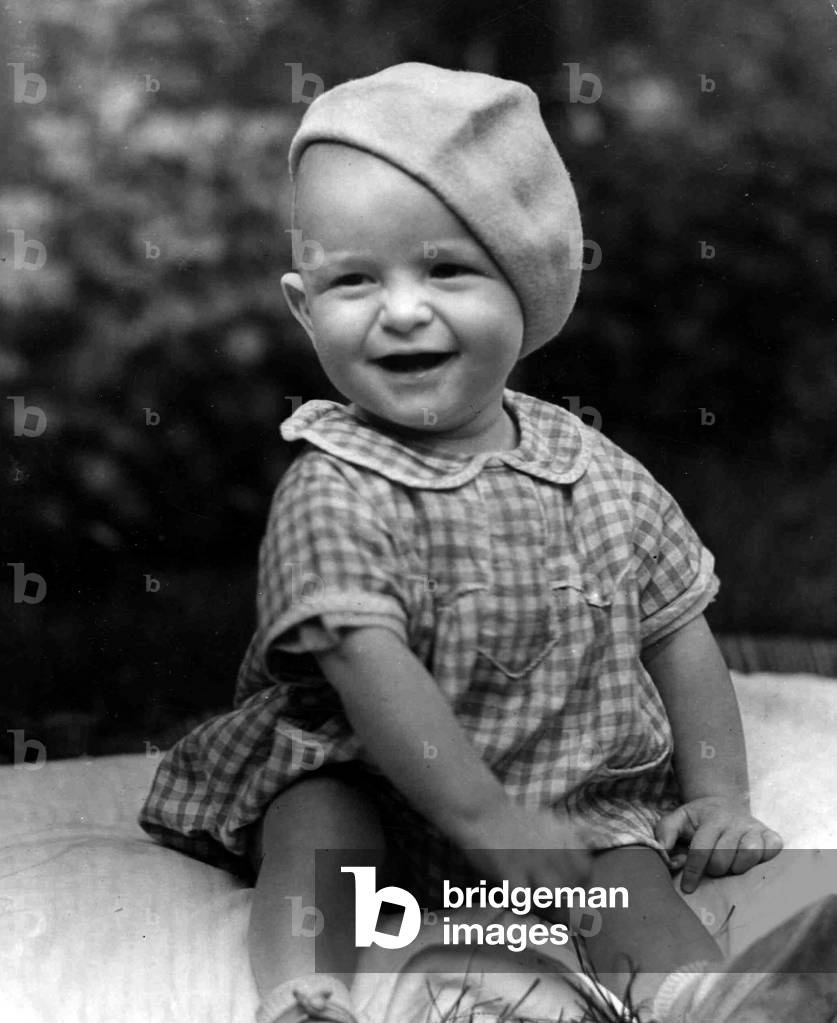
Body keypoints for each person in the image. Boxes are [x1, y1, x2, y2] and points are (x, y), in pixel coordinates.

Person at [139, 63, 786, 1023]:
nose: (401, 309)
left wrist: (719, 791)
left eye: (444, 268)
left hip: (557, 790)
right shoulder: (333, 482)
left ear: (526, 286)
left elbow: (677, 628)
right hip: (370, 775)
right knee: (317, 828)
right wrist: (482, 818)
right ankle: (304, 992)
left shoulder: (593, 471)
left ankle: (699, 997)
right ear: (302, 306)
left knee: (626, 882)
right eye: (354, 279)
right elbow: (365, 661)